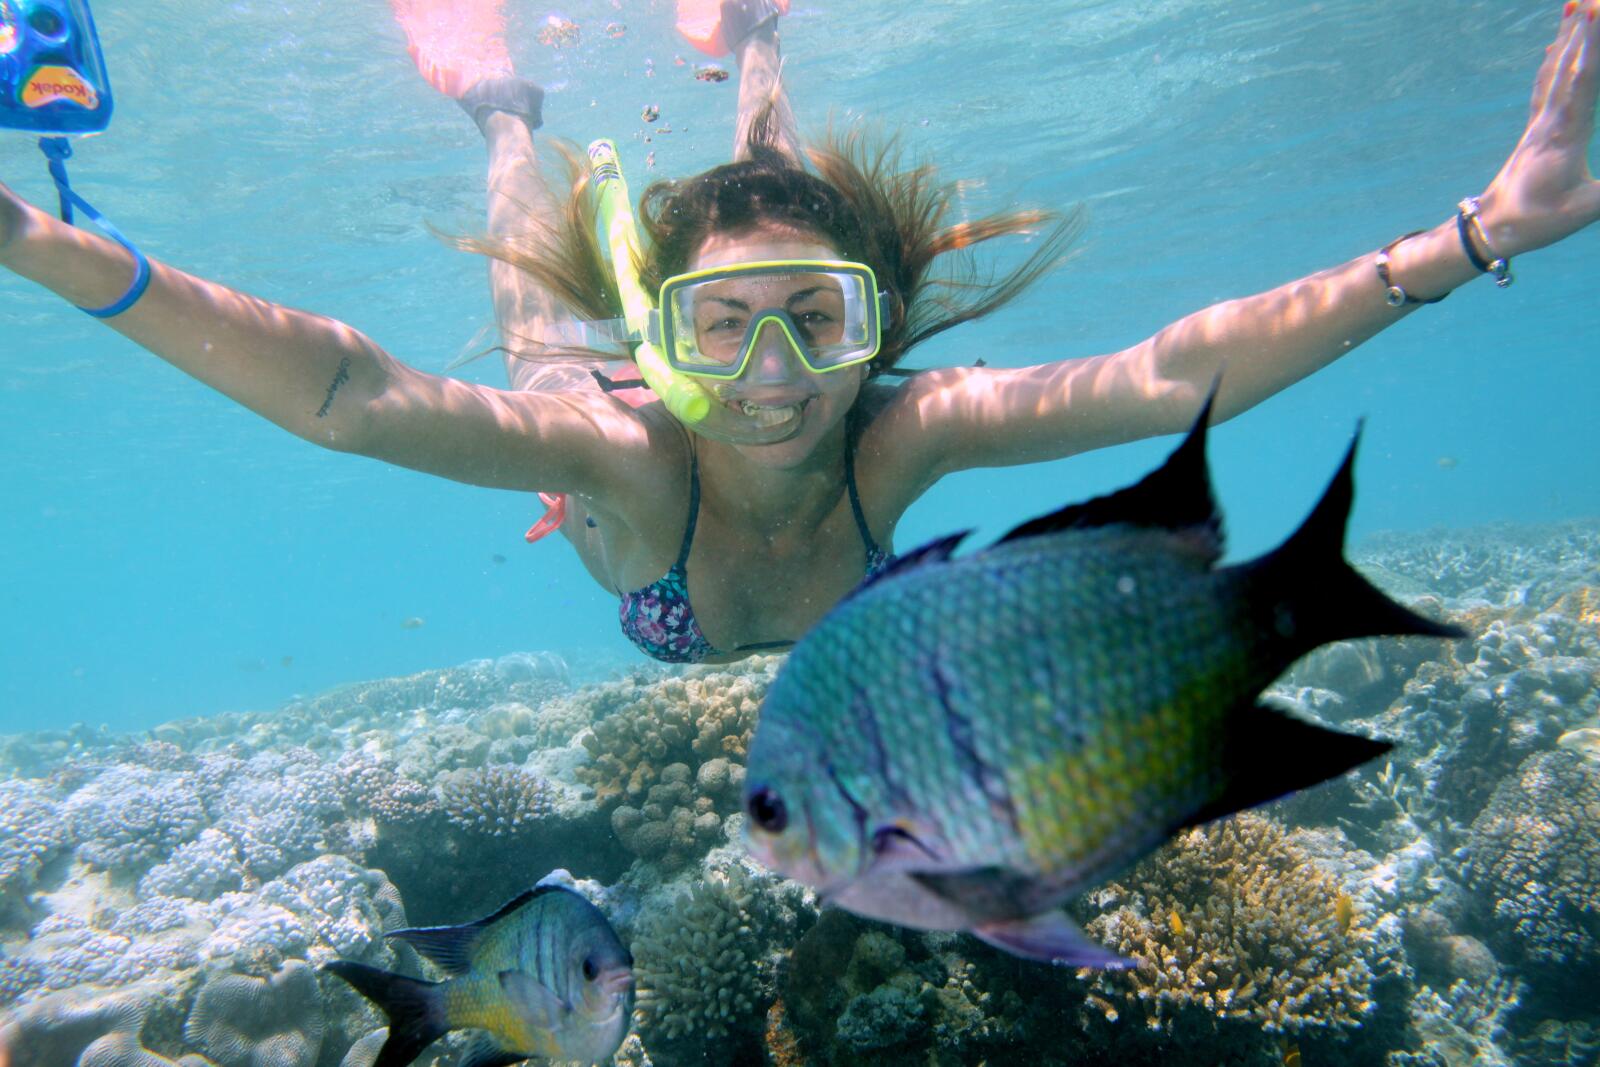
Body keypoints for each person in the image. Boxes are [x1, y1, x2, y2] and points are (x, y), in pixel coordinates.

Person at [1, 1, 1597, 665]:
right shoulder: (609, 435)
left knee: (779, 184)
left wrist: (1473, 239)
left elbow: (1172, 375)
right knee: (526, 283)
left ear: (871, 333)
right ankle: (501, 102)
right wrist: (53, 248)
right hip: (593, 379)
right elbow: (350, 393)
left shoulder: (899, 423)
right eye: (721, 327)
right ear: (668, 336)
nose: (773, 379)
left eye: (817, 324)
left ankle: (753, 29)